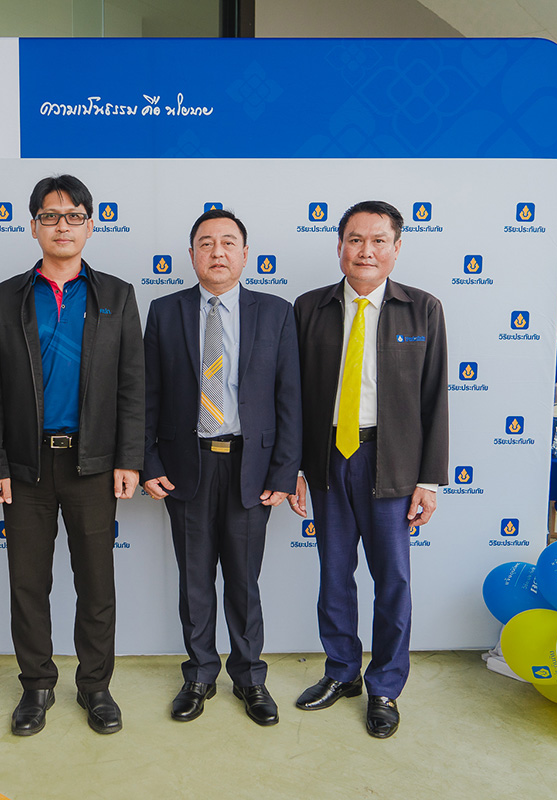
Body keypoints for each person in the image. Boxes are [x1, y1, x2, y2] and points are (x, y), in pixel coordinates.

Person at [0, 174, 144, 737]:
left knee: (96, 583)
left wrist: (129, 458)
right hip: (26, 467)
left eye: (74, 216)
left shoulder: (117, 295)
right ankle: (37, 686)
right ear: (33, 227)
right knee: (28, 584)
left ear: (91, 225)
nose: (62, 226)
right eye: (50, 216)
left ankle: (95, 686)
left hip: (92, 464)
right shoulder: (2, 300)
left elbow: (132, 385)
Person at [290, 200, 448, 739]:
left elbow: (435, 398)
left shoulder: (422, 309)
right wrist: (293, 468)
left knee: (392, 579)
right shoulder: (308, 308)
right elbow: (292, 397)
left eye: (379, 240)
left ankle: (384, 686)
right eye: (355, 240)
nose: (366, 251)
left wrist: (428, 479)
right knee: (334, 574)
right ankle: (341, 671)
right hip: (328, 458)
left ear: (396, 248)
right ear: (339, 247)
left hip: (393, 461)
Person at [142, 208, 302, 727]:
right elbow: (146, 395)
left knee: (243, 581)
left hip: (249, 468)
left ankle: (250, 677)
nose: (218, 252)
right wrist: (148, 461)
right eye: (206, 243)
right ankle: (199, 675)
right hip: (185, 466)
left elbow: (290, 399)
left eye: (228, 242)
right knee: (194, 580)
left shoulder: (275, 313)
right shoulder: (165, 311)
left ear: (245, 254)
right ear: (191, 255)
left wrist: (283, 472)